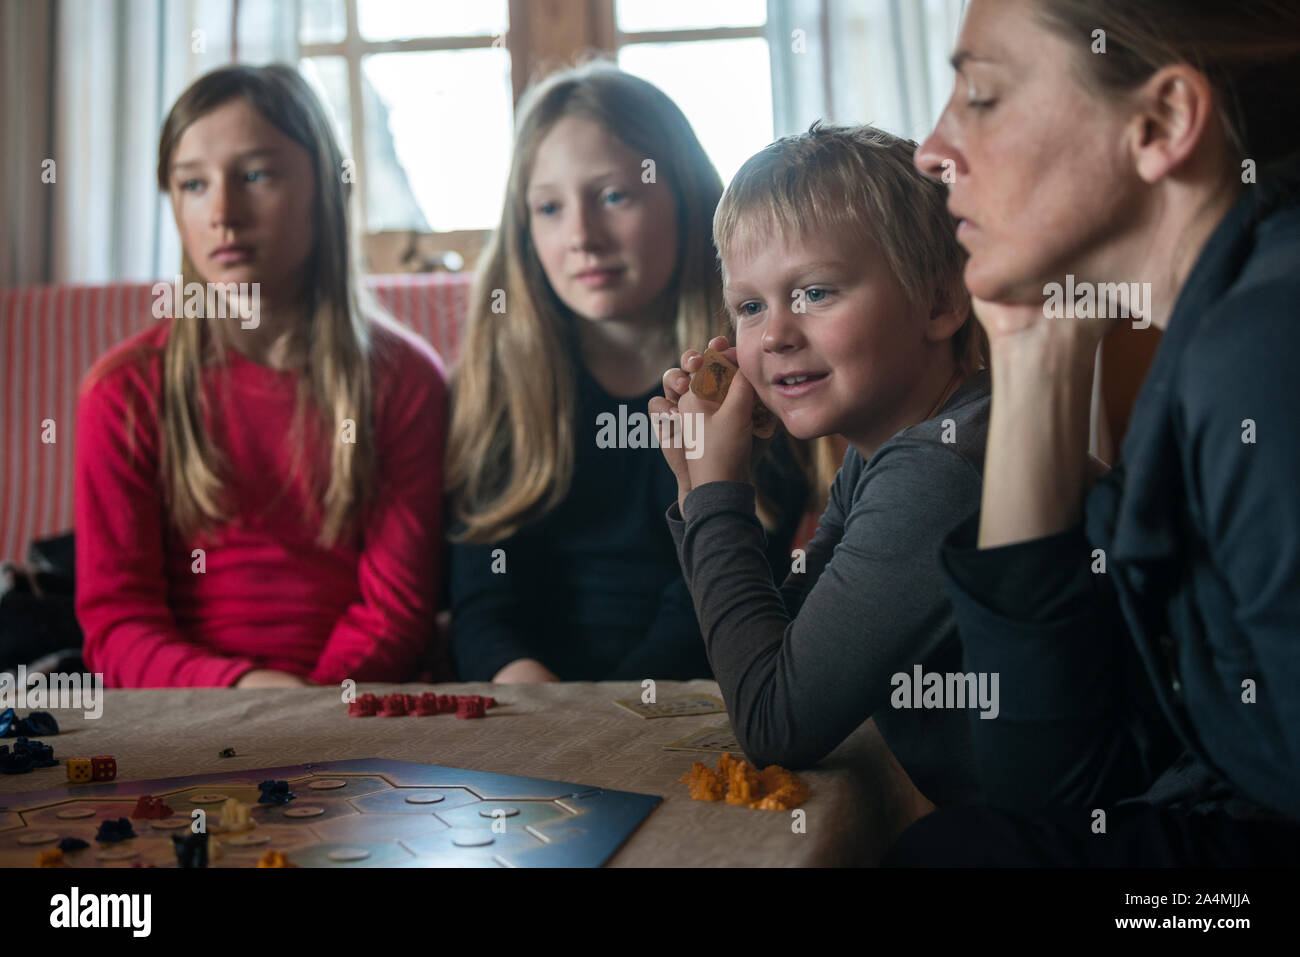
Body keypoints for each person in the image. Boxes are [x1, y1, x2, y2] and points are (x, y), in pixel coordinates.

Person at [890, 0, 1300, 864]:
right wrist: (1034, 343)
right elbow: (1051, 784)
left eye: (983, 96)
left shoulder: (1263, 349)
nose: (931, 150)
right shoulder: (1225, 323)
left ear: (1160, 123)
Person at [651, 124, 990, 807]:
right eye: (750, 306)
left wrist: (719, 493)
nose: (775, 333)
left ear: (940, 302)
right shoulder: (885, 455)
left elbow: (776, 719)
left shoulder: (940, 469)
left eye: (815, 292)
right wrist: (696, 489)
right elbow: (793, 650)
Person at [75, 65, 447, 688]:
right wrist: (243, 692)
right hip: (184, 712)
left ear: (326, 190)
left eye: (255, 175)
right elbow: (118, 624)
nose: (223, 212)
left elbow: (397, 610)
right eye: (193, 184)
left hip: (352, 705)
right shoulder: (123, 391)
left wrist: (308, 710)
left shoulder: (404, 380)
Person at [446, 63, 814, 683]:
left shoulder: (747, 370)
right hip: (529, 707)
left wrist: (608, 720)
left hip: (695, 692)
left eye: (615, 196)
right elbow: (483, 602)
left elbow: (717, 595)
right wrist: (533, 695)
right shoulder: (499, 376)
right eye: (550, 208)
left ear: (689, 198)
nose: (582, 236)